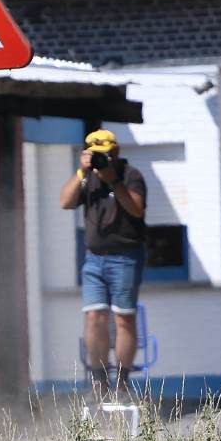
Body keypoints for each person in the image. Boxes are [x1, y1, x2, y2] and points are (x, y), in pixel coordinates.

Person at [58, 129, 148, 397]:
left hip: (126, 257)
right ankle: (98, 379)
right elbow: (64, 202)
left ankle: (121, 379)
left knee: (124, 320)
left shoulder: (131, 176)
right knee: (94, 316)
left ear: (116, 152)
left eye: (106, 154)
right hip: (94, 258)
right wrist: (81, 172)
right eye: (96, 155)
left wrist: (114, 181)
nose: (101, 160)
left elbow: (136, 209)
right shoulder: (86, 178)